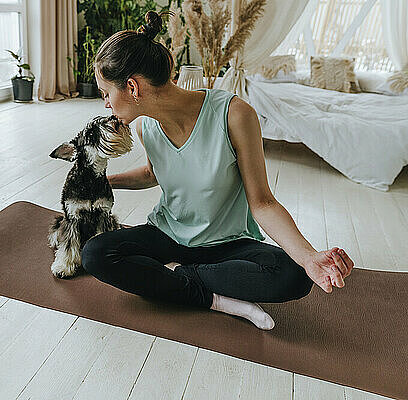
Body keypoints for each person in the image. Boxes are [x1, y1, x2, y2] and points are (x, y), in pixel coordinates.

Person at [80, 11, 354, 330]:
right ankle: (214, 298)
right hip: (167, 235)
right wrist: (103, 182)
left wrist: (309, 258)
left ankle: (174, 276)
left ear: (132, 87)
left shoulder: (234, 115)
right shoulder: (145, 128)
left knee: (293, 277)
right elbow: (154, 174)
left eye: (106, 93)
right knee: (95, 254)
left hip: (227, 243)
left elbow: (263, 203)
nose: (106, 105)